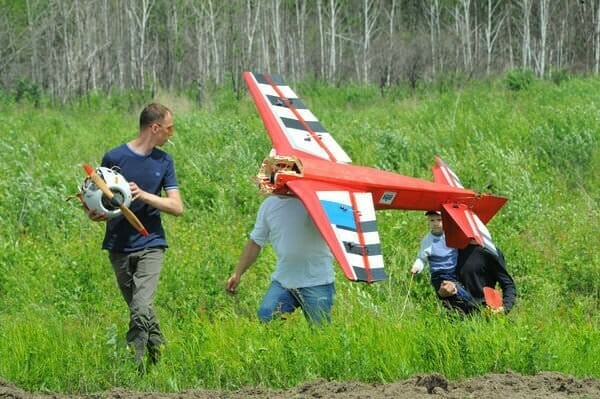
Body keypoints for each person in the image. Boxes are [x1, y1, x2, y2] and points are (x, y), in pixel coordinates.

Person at [85, 103, 183, 367]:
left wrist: (144, 195)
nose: (171, 133)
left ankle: (134, 370)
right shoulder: (114, 158)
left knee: (140, 308)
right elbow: (100, 200)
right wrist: (95, 214)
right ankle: (160, 360)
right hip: (118, 246)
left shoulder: (164, 162)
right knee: (142, 311)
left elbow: (177, 207)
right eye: (169, 128)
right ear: (155, 128)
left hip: (151, 243)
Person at [226, 194, 335, 325]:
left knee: (320, 331)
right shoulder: (269, 205)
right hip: (284, 282)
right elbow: (255, 242)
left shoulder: (317, 201)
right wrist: (237, 273)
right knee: (267, 318)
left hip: (318, 282)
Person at [438, 239, 517, 314]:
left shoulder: (489, 252)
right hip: (454, 316)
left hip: (484, 314)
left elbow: (508, 284)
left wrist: (504, 308)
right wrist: (442, 293)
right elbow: (440, 285)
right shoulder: (449, 253)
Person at [410, 211, 472, 304]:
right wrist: (416, 267)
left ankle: (459, 310)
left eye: (439, 220)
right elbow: (422, 258)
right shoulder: (427, 240)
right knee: (456, 293)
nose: (435, 223)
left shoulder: (450, 235)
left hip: (455, 271)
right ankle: (474, 305)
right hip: (439, 273)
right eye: (432, 220)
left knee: (453, 298)